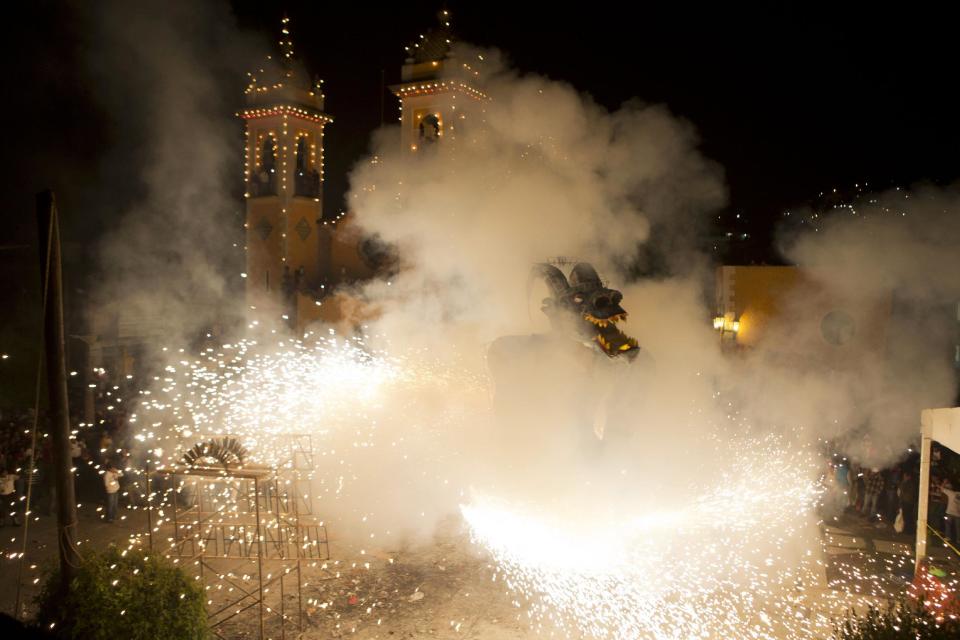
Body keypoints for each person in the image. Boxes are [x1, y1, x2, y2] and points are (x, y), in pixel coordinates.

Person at [899, 470, 919, 536]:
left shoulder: (909, 483)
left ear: (908, 477)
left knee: (907, 516)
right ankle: (908, 529)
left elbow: (903, 490)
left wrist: (903, 482)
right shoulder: (910, 483)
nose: (903, 477)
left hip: (908, 501)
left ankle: (909, 530)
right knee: (907, 516)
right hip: (907, 501)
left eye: (905, 476)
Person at [941, 480, 960, 547]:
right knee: (958, 527)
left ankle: (948, 537)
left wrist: (944, 482)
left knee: (948, 525)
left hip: (949, 512)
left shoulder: (951, 493)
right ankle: (958, 539)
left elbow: (942, 489)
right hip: (958, 514)